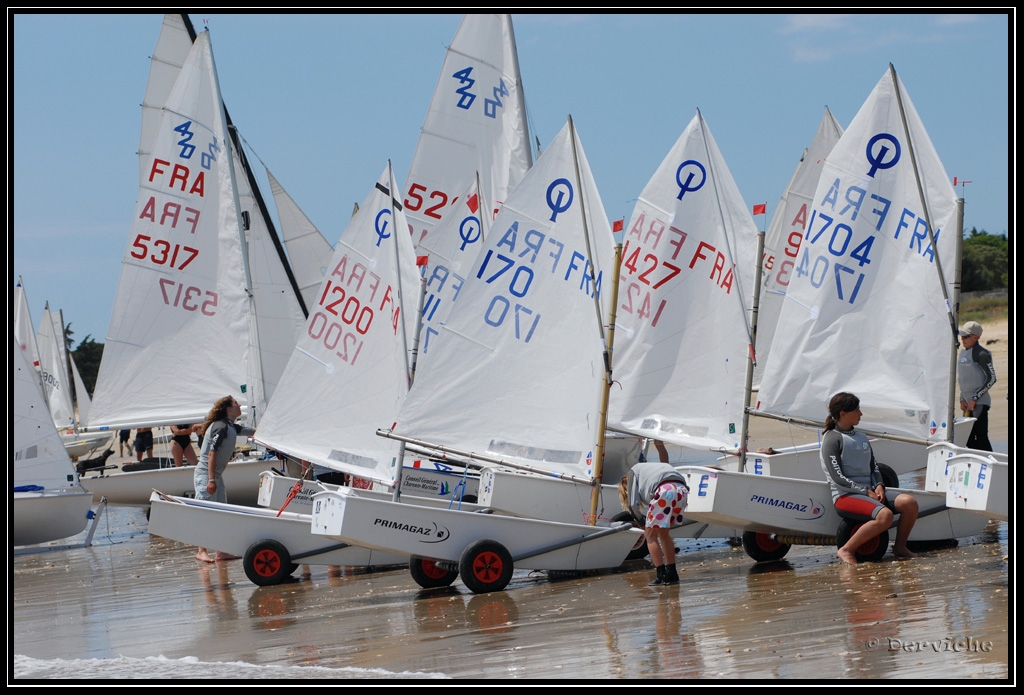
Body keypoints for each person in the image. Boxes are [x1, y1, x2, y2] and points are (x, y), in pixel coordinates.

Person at [820, 392, 919, 565]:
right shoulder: (832, 439)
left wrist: (879, 485)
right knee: (885, 516)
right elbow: (837, 477)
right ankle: (846, 549)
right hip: (846, 496)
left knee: (909, 503)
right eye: (857, 410)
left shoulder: (861, 437)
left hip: (869, 492)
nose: (861, 414)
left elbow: (874, 467)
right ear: (843, 413)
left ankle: (900, 547)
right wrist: (865, 491)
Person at [194, 396, 255, 562]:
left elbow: (249, 431)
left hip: (216, 476)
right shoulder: (220, 427)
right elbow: (212, 453)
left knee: (222, 511)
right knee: (206, 512)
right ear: (228, 408)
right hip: (207, 474)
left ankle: (221, 552)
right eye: (236, 403)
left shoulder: (229, 426)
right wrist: (211, 480)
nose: (240, 405)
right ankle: (201, 550)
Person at [618, 460, 689, 585]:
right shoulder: (650, 469)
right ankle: (672, 573)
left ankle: (660, 574)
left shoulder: (633, 473)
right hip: (681, 490)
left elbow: (632, 503)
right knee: (664, 534)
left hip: (664, 491)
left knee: (650, 535)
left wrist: (640, 520)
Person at [957, 320, 996, 451]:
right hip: (967, 403)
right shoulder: (962, 352)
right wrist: (962, 398)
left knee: (981, 437)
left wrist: (975, 398)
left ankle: (994, 464)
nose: (963, 339)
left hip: (979, 403)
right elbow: (964, 378)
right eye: (962, 336)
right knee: (967, 438)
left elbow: (991, 378)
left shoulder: (981, 353)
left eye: (966, 336)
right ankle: (981, 459)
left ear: (976, 337)